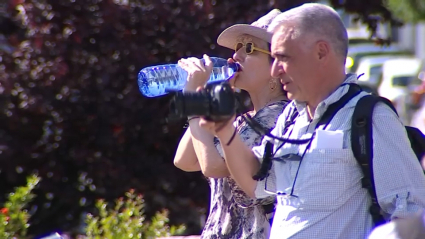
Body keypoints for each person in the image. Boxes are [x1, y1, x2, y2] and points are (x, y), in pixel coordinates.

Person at [197, 3, 425, 239]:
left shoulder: (370, 117)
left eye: (283, 57)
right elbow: (255, 182)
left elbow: (411, 214)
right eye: (273, 58)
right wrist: (225, 132)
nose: (275, 71)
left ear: (321, 52)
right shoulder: (290, 118)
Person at [173, 9, 289, 239]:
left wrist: (193, 103)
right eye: (237, 48)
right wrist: (201, 95)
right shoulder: (243, 120)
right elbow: (185, 160)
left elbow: (214, 167)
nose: (235, 57)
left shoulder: (279, 118)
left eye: (249, 49)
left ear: (276, 68)